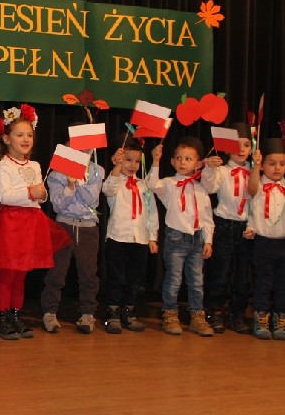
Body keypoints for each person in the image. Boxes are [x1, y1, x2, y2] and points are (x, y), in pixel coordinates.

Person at [0, 104, 70, 340]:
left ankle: (15, 315)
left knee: (21, 274)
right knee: (8, 274)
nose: (26, 139)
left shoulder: (35, 165)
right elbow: (4, 196)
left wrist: (41, 194)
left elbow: (41, 196)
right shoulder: (1, 166)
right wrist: (30, 192)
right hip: (11, 224)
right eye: (19, 135)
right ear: (6, 139)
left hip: (32, 224)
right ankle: (1, 318)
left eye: (29, 135)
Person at [146, 137, 215, 336]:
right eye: (179, 158)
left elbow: (207, 217)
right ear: (172, 162)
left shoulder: (201, 188)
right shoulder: (169, 184)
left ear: (197, 163)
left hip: (197, 239)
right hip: (176, 238)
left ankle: (197, 316)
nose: (183, 162)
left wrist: (208, 240)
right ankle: (170, 314)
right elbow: (152, 184)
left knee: (196, 280)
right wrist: (156, 160)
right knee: (174, 279)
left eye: (188, 159)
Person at [42, 129, 104, 334]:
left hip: (88, 228)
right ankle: (50, 312)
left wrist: (78, 180)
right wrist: (69, 186)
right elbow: (57, 205)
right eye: (73, 149)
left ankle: (87, 314)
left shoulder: (97, 171)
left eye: (84, 149)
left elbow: (92, 200)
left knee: (88, 274)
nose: (79, 153)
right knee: (56, 272)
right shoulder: (56, 173)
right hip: (64, 225)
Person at [100, 137, 158, 334]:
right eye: (128, 160)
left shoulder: (144, 185)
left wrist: (152, 237)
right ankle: (112, 312)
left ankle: (128, 310)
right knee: (116, 278)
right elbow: (107, 189)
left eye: (136, 161)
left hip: (139, 239)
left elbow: (151, 212)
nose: (132, 165)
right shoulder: (115, 181)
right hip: (117, 238)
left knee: (134, 279)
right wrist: (116, 167)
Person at [201, 123, 254, 334]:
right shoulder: (222, 170)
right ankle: (215, 311)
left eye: (246, 145)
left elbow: (258, 202)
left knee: (242, 276)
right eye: (236, 144)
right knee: (220, 273)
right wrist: (209, 168)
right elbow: (209, 187)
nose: (241, 149)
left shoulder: (255, 172)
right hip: (224, 226)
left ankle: (237, 313)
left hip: (247, 228)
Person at [245, 139, 285, 341]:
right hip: (264, 243)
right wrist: (255, 165)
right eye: (271, 163)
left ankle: (281, 320)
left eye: (282, 164)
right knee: (263, 283)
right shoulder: (258, 188)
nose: (277, 168)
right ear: (263, 165)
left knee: (284, 284)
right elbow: (251, 188)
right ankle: (261, 318)